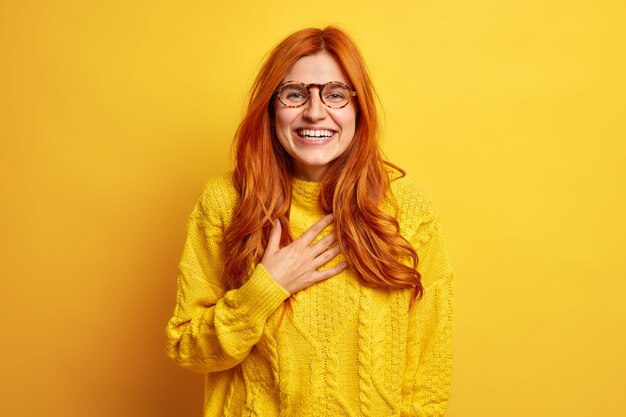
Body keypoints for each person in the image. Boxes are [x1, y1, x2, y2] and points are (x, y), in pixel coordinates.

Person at [165, 26, 454, 417]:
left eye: (335, 94)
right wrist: (267, 287)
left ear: (358, 108)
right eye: (295, 94)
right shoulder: (226, 201)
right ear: (271, 108)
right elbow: (188, 350)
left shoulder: (408, 208)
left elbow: (427, 379)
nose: (315, 111)